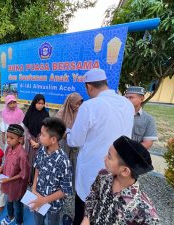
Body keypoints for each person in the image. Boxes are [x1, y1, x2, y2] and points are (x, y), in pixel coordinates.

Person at [66, 68, 135, 225]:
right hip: (118, 168)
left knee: (84, 209)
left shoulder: (90, 106)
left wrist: (68, 133)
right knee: (105, 210)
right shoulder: (127, 104)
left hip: (92, 169)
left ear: (89, 87)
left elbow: (75, 141)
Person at [81, 136, 160, 225]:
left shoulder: (145, 212)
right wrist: (86, 218)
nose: (104, 158)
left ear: (125, 171)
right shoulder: (103, 176)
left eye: (109, 156)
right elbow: (93, 196)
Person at [30, 117, 73, 225]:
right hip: (38, 196)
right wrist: (34, 189)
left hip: (54, 205)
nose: (39, 137)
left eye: (43, 135)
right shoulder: (41, 150)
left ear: (53, 139)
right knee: (38, 221)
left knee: (52, 222)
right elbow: (37, 169)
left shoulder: (64, 161)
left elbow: (65, 190)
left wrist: (44, 200)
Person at [0, 124, 30, 225]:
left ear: (20, 139)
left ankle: (19, 221)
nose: (8, 140)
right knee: (9, 200)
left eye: (11, 138)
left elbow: (23, 174)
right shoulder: (8, 148)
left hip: (17, 186)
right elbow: (6, 162)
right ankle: (10, 216)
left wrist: (7, 179)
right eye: (7, 137)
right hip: (8, 183)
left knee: (17, 204)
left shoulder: (22, 155)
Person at [55, 92, 83, 189]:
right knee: (63, 162)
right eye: (76, 103)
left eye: (80, 103)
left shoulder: (80, 113)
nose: (78, 106)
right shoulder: (61, 113)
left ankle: (71, 185)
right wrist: (65, 134)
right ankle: (60, 184)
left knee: (74, 162)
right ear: (70, 103)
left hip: (75, 142)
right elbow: (56, 128)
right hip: (63, 142)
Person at [23, 94, 49, 183]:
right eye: (38, 103)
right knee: (29, 160)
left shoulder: (46, 114)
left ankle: (37, 180)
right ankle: (29, 179)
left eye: (42, 103)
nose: (40, 105)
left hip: (41, 140)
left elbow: (47, 130)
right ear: (34, 103)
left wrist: (39, 143)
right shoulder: (30, 112)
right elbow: (26, 127)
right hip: (30, 140)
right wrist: (30, 139)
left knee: (39, 160)